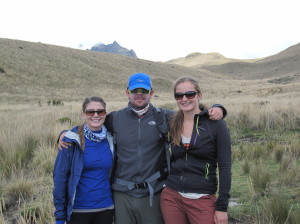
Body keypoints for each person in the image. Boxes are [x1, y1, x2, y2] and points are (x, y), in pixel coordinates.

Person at [58, 73, 226, 224]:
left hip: (153, 194)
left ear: (151, 93)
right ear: (127, 92)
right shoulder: (115, 118)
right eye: (135, 90)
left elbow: (192, 112)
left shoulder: (166, 117)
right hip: (121, 194)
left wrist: (218, 108)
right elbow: (93, 122)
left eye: (144, 91)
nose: (139, 94)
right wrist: (65, 133)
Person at [160, 76, 231, 224]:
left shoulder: (216, 125)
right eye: (179, 95)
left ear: (199, 95)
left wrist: (222, 207)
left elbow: (225, 167)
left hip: (202, 199)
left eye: (190, 94)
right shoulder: (172, 121)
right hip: (171, 197)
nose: (184, 99)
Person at [53, 96, 114, 224]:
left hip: (106, 208)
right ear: (83, 115)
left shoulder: (111, 139)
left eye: (100, 111)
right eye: (90, 112)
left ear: (105, 114)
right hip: (78, 210)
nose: (95, 115)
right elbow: (60, 178)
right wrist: (60, 216)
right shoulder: (71, 141)